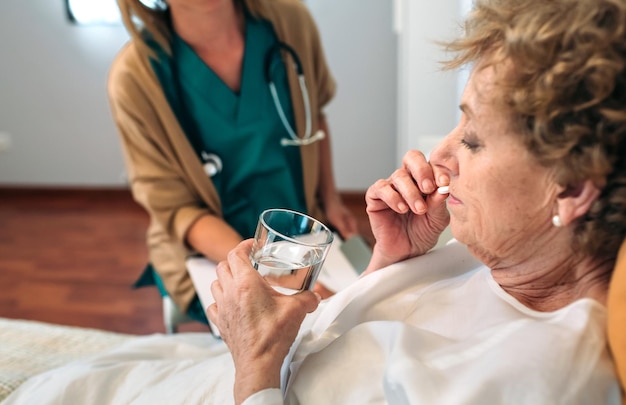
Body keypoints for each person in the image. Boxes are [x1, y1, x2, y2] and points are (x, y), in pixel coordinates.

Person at [2, 0, 624, 403]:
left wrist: (255, 364)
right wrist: (391, 264)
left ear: (569, 191)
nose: (441, 158)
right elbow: (358, 338)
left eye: (475, 139)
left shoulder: (538, 377)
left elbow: (312, 121)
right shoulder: (489, 251)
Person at [108, 0, 359, 323]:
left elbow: (312, 116)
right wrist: (275, 275)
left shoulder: (288, 21)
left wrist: (331, 200)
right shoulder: (135, 77)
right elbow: (177, 210)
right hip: (206, 252)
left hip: (301, 228)